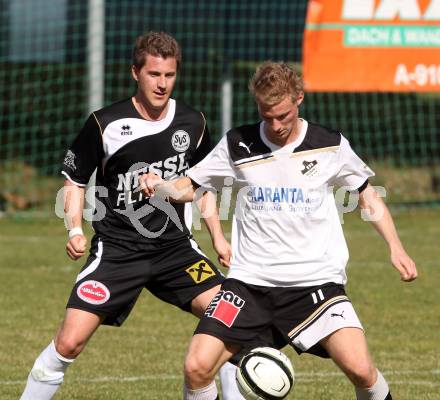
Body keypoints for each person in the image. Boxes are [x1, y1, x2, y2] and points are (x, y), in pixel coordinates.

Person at [140, 61, 418, 400]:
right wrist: (163, 186)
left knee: (361, 370)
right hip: (248, 285)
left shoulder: (329, 143)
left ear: (298, 98)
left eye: (283, 116)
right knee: (197, 367)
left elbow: (367, 196)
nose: (275, 125)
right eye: (266, 115)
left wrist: (395, 246)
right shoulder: (237, 144)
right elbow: (192, 186)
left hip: (314, 284)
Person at [20, 31, 243, 400]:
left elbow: (202, 186)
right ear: (135, 73)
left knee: (230, 319)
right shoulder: (104, 124)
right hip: (118, 251)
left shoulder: (193, 122)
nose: (162, 84)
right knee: (70, 341)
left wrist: (218, 238)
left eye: (170, 75)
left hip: (176, 251)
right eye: (154, 74)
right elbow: (74, 182)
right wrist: (75, 228)